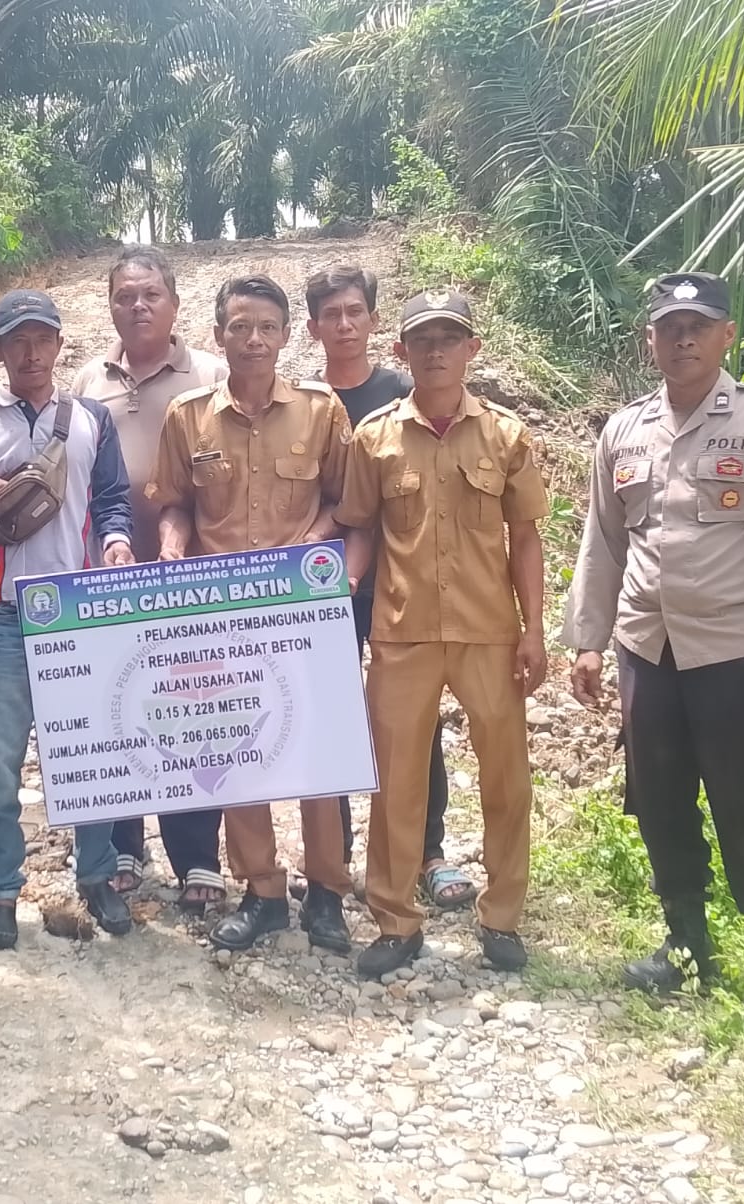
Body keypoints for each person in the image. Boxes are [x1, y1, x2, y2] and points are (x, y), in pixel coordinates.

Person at [562, 272, 744, 1009]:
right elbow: (603, 542)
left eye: (698, 325)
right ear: (649, 338)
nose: (682, 338)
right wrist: (587, 639)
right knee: (660, 800)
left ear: (726, 335)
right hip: (647, 650)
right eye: (669, 326)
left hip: (735, 652)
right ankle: (686, 950)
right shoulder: (623, 430)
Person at [337, 290, 549, 978]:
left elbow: (526, 537)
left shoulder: (507, 436)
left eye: (449, 339)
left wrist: (535, 629)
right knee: (396, 782)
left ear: (471, 350)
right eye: (422, 340)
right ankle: (397, 920)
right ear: (401, 352)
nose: (435, 351)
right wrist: (337, 588)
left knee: (506, 780)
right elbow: (361, 530)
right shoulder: (373, 438)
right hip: (401, 632)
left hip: (490, 630)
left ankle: (503, 916)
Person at [146, 274, 356, 955]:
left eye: (267, 326)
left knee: (318, 753)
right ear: (219, 336)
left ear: (287, 335)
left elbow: (345, 504)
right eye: (240, 327)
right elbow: (174, 502)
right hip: (221, 616)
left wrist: (309, 548)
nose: (254, 339)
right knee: (239, 749)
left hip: (301, 614)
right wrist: (173, 550)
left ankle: (327, 894)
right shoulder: (189, 416)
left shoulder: (322, 412)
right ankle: (262, 890)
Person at [0, 289, 137, 951]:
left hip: (81, 611)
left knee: (92, 753)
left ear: (58, 345)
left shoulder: (90, 421)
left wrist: (115, 542)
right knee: (1, 761)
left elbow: (111, 498)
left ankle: (98, 874)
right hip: (5, 612)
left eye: (41, 338)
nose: (30, 351)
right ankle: (0, 888)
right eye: (16, 340)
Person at [71, 245, 229, 910]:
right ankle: (123, 847)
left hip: (188, 573)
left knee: (191, 710)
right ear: (110, 305)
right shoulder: (87, 380)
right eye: (124, 296)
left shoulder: (211, 373)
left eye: (150, 295)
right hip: (109, 576)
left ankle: (197, 854)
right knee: (120, 709)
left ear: (174, 302)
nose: (137, 306)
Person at [304, 265, 465, 912]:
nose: (344, 325)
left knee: (412, 723)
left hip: (401, 585)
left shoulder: (407, 391)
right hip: (324, 590)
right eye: (331, 315)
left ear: (373, 319)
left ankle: (427, 852)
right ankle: (334, 858)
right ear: (314, 327)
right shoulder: (304, 402)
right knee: (331, 720)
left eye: (355, 312)